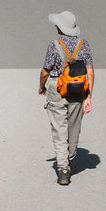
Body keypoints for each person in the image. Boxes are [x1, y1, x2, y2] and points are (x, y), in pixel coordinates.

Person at [37, 10, 94, 186]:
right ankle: (70, 158)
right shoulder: (84, 45)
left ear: (60, 28)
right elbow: (90, 71)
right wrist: (88, 97)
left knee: (59, 129)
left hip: (57, 89)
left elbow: (46, 70)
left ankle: (63, 169)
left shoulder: (54, 45)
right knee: (74, 127)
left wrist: (41, 86)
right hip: (78, 90)